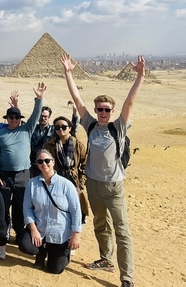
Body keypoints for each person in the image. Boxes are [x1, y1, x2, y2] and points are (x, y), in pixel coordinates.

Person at [62, 53, 144, 287]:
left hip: (113, 186)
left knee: (122, 231)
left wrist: (139, 76)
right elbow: (77, 100)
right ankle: (106, 259)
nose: (103, 113)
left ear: (112, 110)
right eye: (100, 109)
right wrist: (68, 73)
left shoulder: (118, 128)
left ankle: (127, 278)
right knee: (100, 223)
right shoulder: (90, 125)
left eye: (106, 109)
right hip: (94, 184)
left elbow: (130, 102)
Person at [0, 82, 46, 244]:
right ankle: (5, 229)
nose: (14, 120)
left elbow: (36, 115)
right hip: (5, 175)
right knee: (4, 204)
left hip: (23, 175)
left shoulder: (26, 129)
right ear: (7, 118)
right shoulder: (0, 134)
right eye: (11, 117)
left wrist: (39, 98)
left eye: (16, 117)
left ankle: (19, 232)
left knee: (20, 205)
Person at [20, 149, 82, 274]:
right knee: (25, 245)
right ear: (37, 164)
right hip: (40, 229)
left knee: (55, 269)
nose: (44, 164)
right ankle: (41, 253)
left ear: (53, 162)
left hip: (60, 233)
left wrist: (76, 234)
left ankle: (63, 253)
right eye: (40, 161)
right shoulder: (32, 184)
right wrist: (33, 229)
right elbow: (27, 208)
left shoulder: (66, 185)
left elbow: (75, 210)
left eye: (47, 160)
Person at [43, 116, 89, 224]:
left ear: (70, 128)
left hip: (73, 179)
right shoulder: (49, 145)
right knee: (57, 208)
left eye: (64, 127)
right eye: (57, 127)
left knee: (74, 208)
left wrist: (82, 182)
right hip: (56, 179)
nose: (61, 129)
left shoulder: (78, 145)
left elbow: (85, 164)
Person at [29, 106, 55, 177]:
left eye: (45, 116)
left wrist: (75, 114)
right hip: (34, 164)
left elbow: (71, 129)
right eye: (41, 116)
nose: (43, 118)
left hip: (47, 164)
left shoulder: (54, 130)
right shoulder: (32, 129)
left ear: (49, 117)